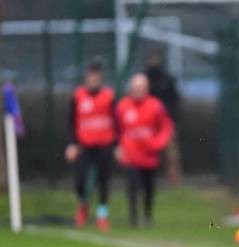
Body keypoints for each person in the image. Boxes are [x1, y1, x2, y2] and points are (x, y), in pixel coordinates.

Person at [115, 74, 174, 227]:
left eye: (141, 88)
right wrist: (119, 147)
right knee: (132, 185)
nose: (138, 91)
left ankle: (147, 215)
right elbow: (117, 129)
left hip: (149, 155)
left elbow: (166, 127)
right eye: (135, 88)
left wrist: (158, 143)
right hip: (130, 155)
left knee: (148, 187)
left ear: (146, 89)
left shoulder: (155, 106)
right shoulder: (122, 106)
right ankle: (133, 217)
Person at [65, 60, 116, 232]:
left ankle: (102, 215)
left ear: (100, 78)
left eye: (96, 77)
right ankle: (83, 205)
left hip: (104, 145)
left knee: (103, 181)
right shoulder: (78, 96)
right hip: (84, 146)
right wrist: (72, 144)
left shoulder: (109, 96)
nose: (93, 80)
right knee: (80, 180)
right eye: (91, 77)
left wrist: (117, 145)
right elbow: (71, 122)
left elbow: (116, 121)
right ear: (87, 78)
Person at [144, 49, 181, 186]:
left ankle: (174, 181)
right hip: (148, 122)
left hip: (166, 121)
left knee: (171, 153)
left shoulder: (167, 79)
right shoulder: (145, 79)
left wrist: (171, 118)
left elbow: (174, 101)